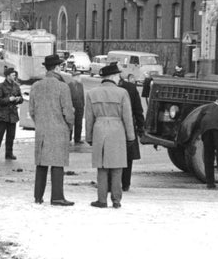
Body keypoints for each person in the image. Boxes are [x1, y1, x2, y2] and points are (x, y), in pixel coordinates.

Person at [85, 63, 135, 209]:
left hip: (99, 129)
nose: (119, 78)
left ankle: (101, 199)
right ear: (113, 76)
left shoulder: (92, 93)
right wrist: (130, 137)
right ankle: (116, 199)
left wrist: (89, 136)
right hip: (117, 130)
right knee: (117, 166)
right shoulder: (122, 93)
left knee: (102, 166)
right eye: (118, 75)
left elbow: (89, 118)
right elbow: (127, 117)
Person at [28, 54, 75, 206]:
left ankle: (38, 196)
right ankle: (57, 197)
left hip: (42, 129)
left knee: (41, 163)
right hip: (59, 129)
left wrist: (40, 123)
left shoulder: (36, 86)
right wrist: (69, 126)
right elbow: (68, 112)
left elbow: (32, 111)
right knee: (57, 164)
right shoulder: (62, 87)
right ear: (57, 68)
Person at [116, 63, 145, 191]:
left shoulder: (108, 87)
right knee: (128, 157)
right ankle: (126, 183)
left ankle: (113, 182)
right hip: (129, 125)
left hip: (114, 125)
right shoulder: (131, 88)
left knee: (113, 156)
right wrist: (140, 127)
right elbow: (138, 110)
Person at [0, 66, 23, 160]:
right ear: (8, 76)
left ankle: (9, 153)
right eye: (13, 75)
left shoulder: (16, 86)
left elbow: (21, 98)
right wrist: (9, 99)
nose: (14, 76)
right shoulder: (1, 86)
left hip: (13, 115)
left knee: (11, 136)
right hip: (3, 115)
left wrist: (18, 99)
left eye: (15, 75)